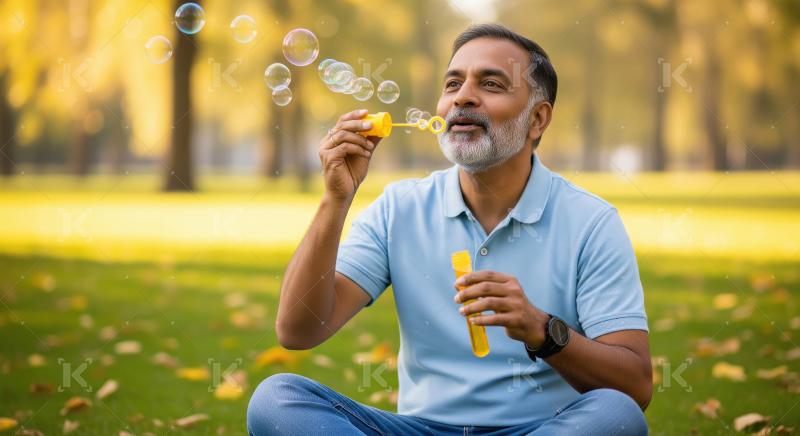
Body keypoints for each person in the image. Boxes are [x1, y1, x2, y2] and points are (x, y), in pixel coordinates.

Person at [247, 23, 651, 435]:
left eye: (491, 84)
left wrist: (542, 330)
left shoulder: (590, 222)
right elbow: (298, 330)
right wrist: (336, 200)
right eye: (453, 83)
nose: (463, 97)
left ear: (537, 119)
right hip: (420, 428)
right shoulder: (398, 208)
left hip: (541, 429)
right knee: (277, 399)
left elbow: (634, 387)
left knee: (615, 415)